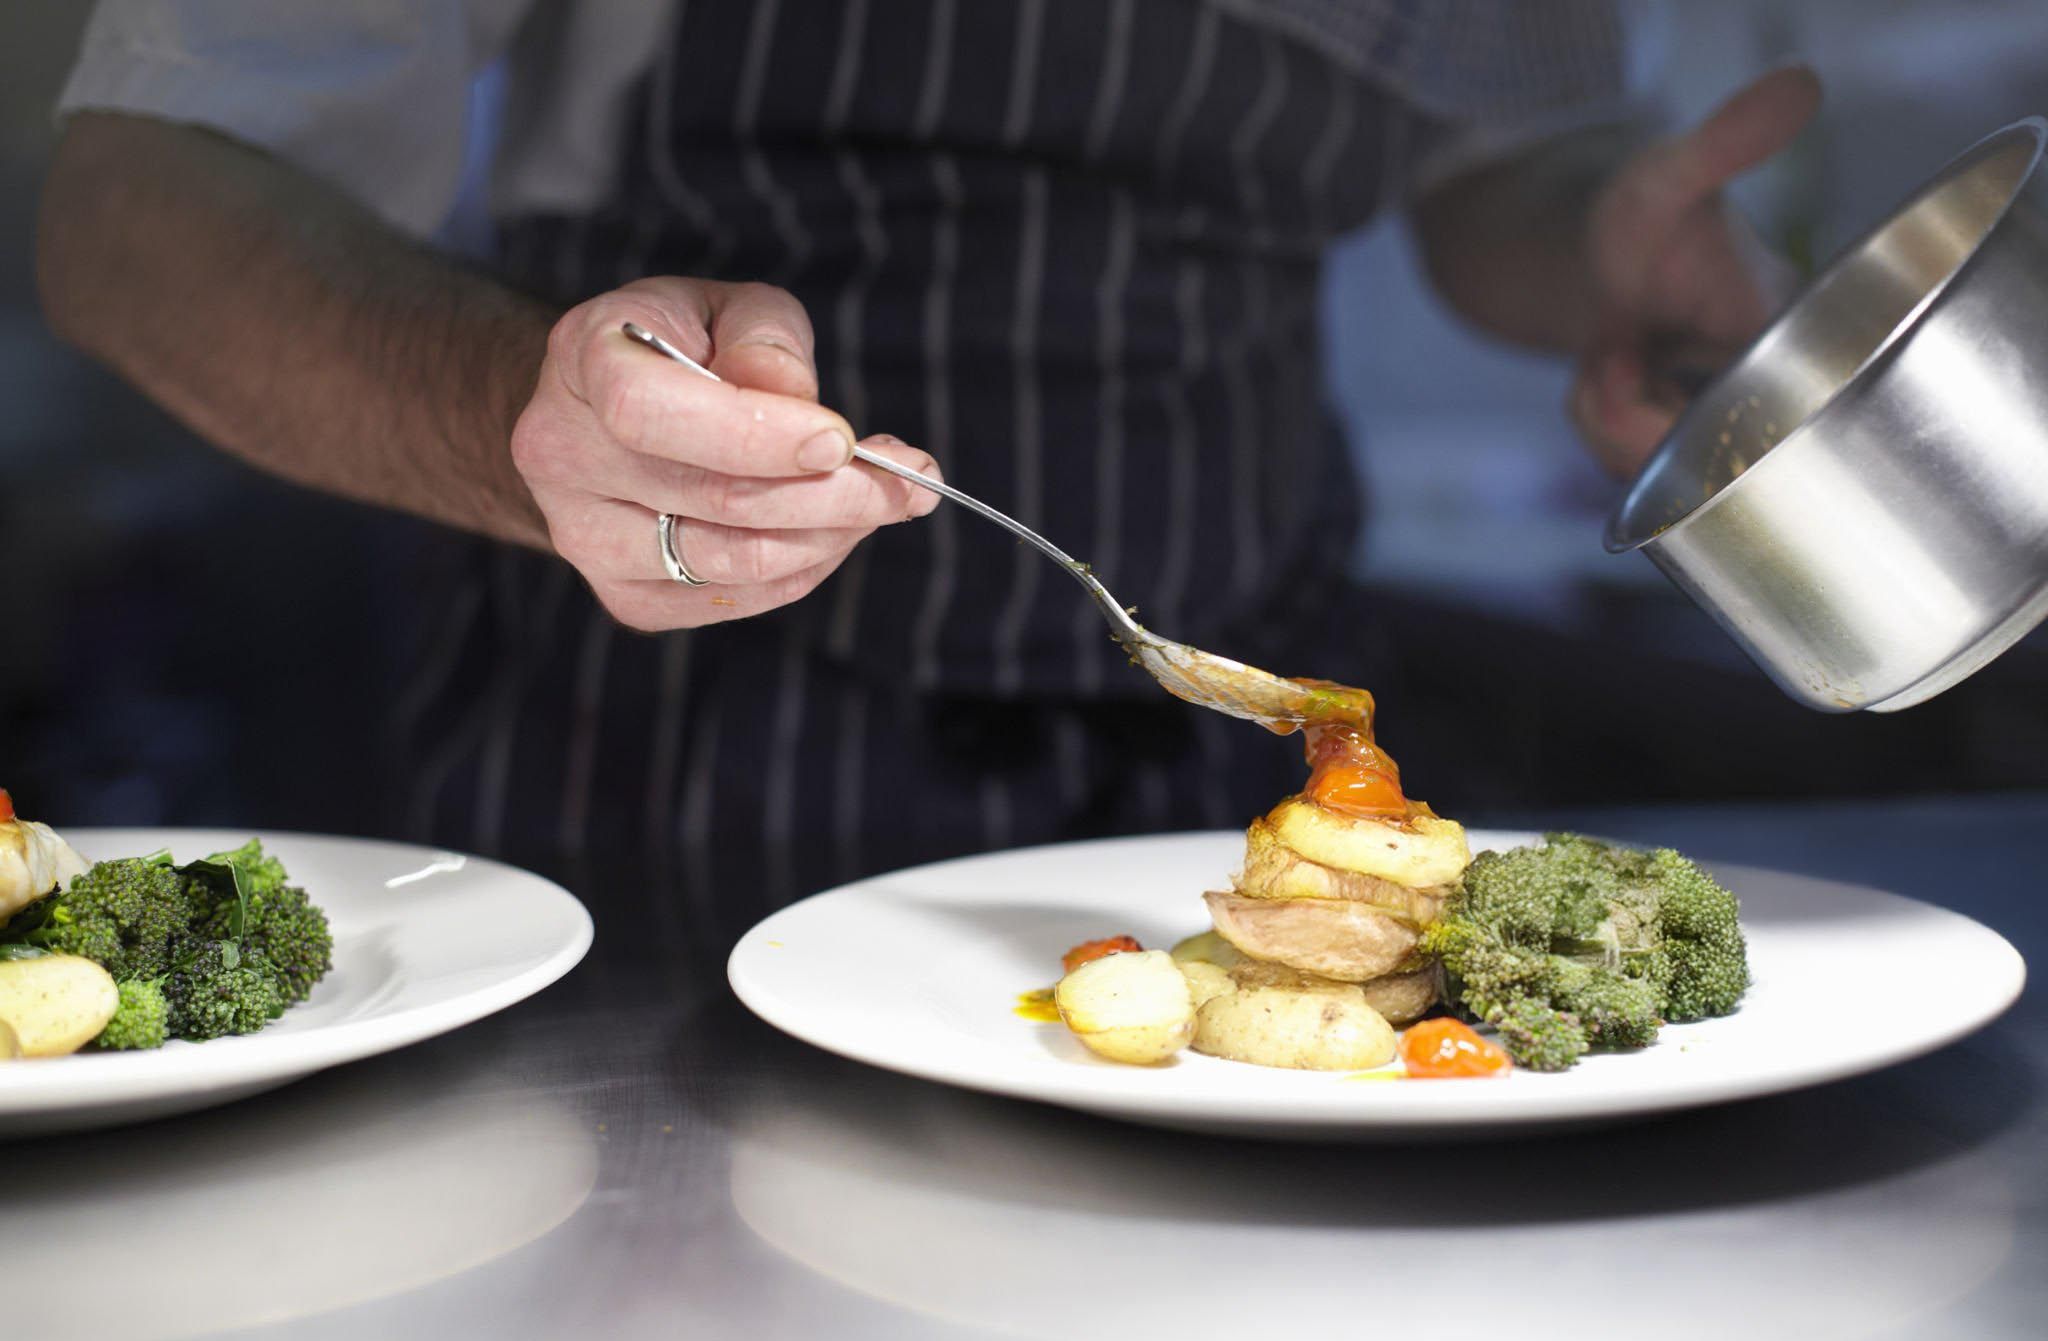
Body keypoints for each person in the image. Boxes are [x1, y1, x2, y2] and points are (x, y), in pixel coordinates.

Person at [37, 1, 1818, 929]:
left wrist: (1600, 237)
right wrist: (525, 404)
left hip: (1233, 716)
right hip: (669, 748)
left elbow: (1494, 171)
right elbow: (134, 206)